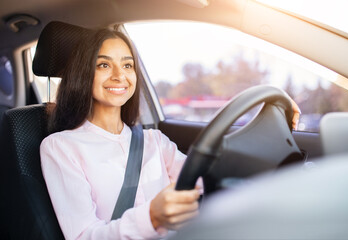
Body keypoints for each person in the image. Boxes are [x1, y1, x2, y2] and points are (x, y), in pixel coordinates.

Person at [40, 28, 301, 240]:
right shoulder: (60, 147)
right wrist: (151, 217)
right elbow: (84, 236)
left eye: (128, 65)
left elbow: (207, 177)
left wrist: (276, 120)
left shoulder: (153, 140)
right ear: (84, 73)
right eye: (103, 65)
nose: (120, 75)